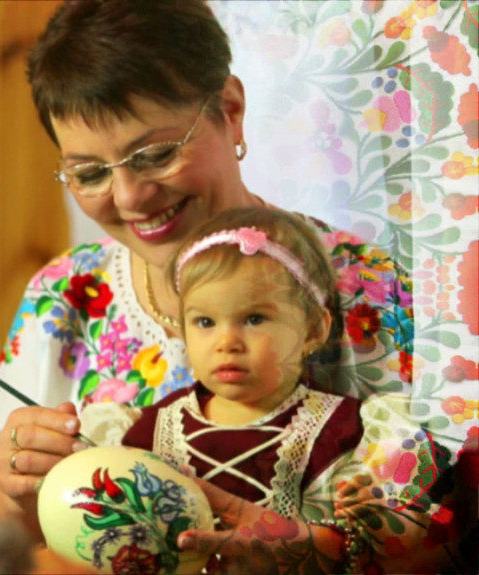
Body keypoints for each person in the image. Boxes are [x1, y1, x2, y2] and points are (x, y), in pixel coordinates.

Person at [0, 0, 468, 571]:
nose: (128, 197)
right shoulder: (64, 296)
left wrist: (320, 549)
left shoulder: (371, 292)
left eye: (154, 154)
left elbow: (458, 535)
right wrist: (13, 500)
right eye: (90, 173)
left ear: (231, 109)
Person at [121, 207, 433, 573]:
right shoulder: (150, 430)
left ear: (314, 329)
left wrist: (361, 518)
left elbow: (381, 550)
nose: (227, 342)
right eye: (205, 321)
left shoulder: (344, 432)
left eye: (254, 319)